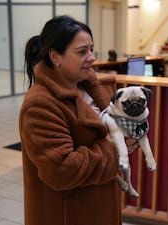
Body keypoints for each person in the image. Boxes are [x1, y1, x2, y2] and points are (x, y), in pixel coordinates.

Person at [20, 15, 126, 225]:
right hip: (69, 214)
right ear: (55, 57)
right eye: (82, 52)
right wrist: (115, 147)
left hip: (98, 204)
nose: (92, 58)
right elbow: (62, 170)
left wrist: (128, 138)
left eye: (91, 49)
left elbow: (112, 129)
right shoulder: (40, 105)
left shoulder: (89, 87)